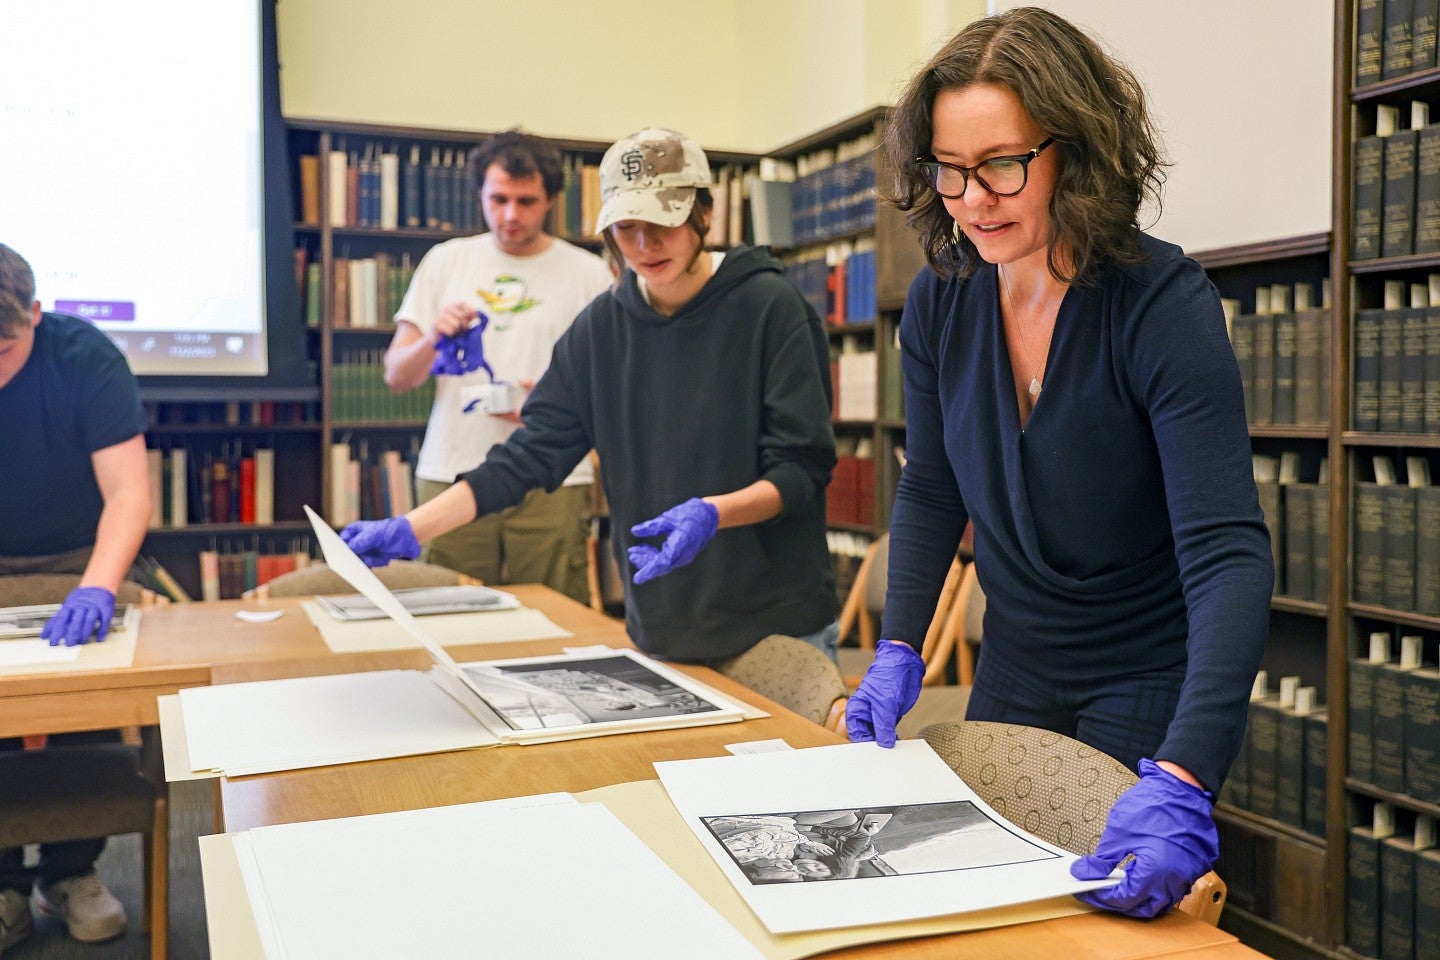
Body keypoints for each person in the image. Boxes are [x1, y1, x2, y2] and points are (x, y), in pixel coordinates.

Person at [845, 7, 1272, 921]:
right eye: (948, 171)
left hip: (1145, 676)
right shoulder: (941, 301)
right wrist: (899, 642)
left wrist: (1188, 770)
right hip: (1016, 663)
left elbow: (1228, 552)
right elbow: (930, 489)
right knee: (993, 913)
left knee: (1099, 921)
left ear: (1074, 152)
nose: (972, 200)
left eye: (1002, 164)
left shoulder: (1162, 305)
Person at [343, 128, 839, 663]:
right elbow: (530, 455)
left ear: (703, 213)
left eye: (663, 223)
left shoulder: (772, 308)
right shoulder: (601, 327)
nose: (645, 246)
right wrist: (409, 529)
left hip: (777, 621)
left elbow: (800, 469)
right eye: (627, 228)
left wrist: (714, 513)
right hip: (663, 622)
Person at [382, 130, 613, 605]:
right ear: (480, 197)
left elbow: (617, 387)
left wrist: (547, 407)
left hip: (555, 474)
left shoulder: (588, 273)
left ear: (549, 200)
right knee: (445, 617)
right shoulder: (447, 261)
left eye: (526, 201)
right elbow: (397, 375)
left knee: (556, 618)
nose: (510, 214)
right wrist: (433, 338)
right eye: (499, 199)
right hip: (452, 469)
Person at [0, 243, 150, 949]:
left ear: (34, 315)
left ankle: (72, 873)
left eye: (2, 353)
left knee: (83, 710)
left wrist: (97, 585)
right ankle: (1, 882)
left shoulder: (85, 358)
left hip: (74, 556)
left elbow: (127, 492)